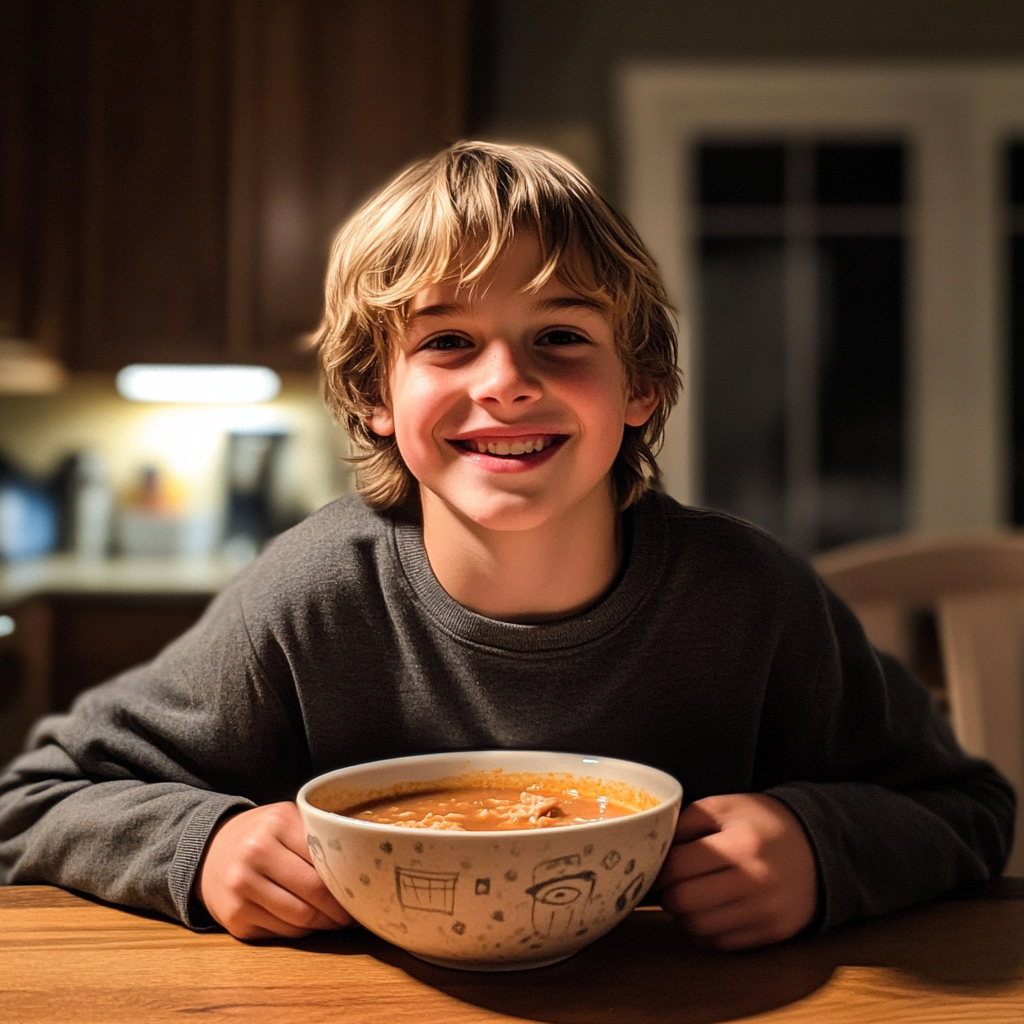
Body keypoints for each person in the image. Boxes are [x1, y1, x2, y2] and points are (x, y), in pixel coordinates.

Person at [0, 142, 1014, 951]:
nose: (504, 381)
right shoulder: (311, 593)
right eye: (446, 341)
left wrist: (819, 851)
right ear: (372, 396)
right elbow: (34, 800)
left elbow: (966, 809)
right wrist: (205, 847)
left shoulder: (751, 598)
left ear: (640, 386)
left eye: (560, 337)